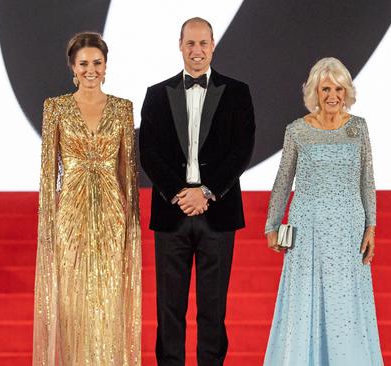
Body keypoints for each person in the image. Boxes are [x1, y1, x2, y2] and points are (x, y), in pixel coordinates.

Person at [139, 17, 255, 366]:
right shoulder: (157, 95)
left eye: (203, 43)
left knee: (213, 309)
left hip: (217, 212)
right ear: (180, 45)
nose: (197, 50)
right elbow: (148, 150)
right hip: (171, 213)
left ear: (213, 45)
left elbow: (242, 150)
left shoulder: (237, 92)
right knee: (169, 309)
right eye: (190, 43)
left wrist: (205, 192)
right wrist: (179, 191)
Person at [263, 57, 383, 365]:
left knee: (346, 307)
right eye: (325, 88)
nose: (332, 96)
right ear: (314, 92)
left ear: (347, 91)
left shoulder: (358, 127)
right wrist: (271, 226)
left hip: (348, 231)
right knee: (306, 301)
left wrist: (371, 228)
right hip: (307, 230)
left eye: (338, 88)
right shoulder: (297, 131)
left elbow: (366, 179)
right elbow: (282, 180)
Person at [32, 32, 141, 365]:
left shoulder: (123, 109)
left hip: (111, 215)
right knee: (73, 302)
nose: (90, 70)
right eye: (84, 64)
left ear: (106, 67)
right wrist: (49, 228)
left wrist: (131, 228)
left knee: (108, 299)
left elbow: (130, 175)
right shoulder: (56, 108)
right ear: (73, 68)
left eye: (97, 63)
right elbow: (48, 175)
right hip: (70, 217)